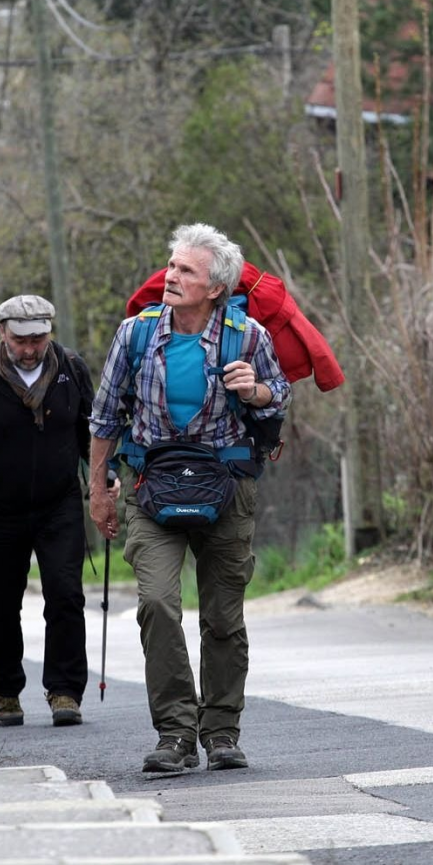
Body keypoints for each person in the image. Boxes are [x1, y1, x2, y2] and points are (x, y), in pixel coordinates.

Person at [88, 223, 291, 774]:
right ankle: (176, 733)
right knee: (156, 603)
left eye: (185, 272)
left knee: (224, 618)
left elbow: (279, 402)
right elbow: (105, 416)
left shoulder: (247, 337)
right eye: (172, 266)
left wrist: (256, 390)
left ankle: (221, 731)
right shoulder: (134, 333)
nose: (171, 277)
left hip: (226, 491)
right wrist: (99, 491)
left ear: (215, 288)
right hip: (150, 489)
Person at [0, 294, 113, 728]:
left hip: (59, 504)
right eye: (21, 340)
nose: (31, 348)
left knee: (66, 595)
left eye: (38, 338)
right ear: (3, 333)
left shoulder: (70, 369)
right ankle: (7, 690)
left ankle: (65, 691)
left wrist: (103, 475)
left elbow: (92, 430)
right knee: (1, 602)